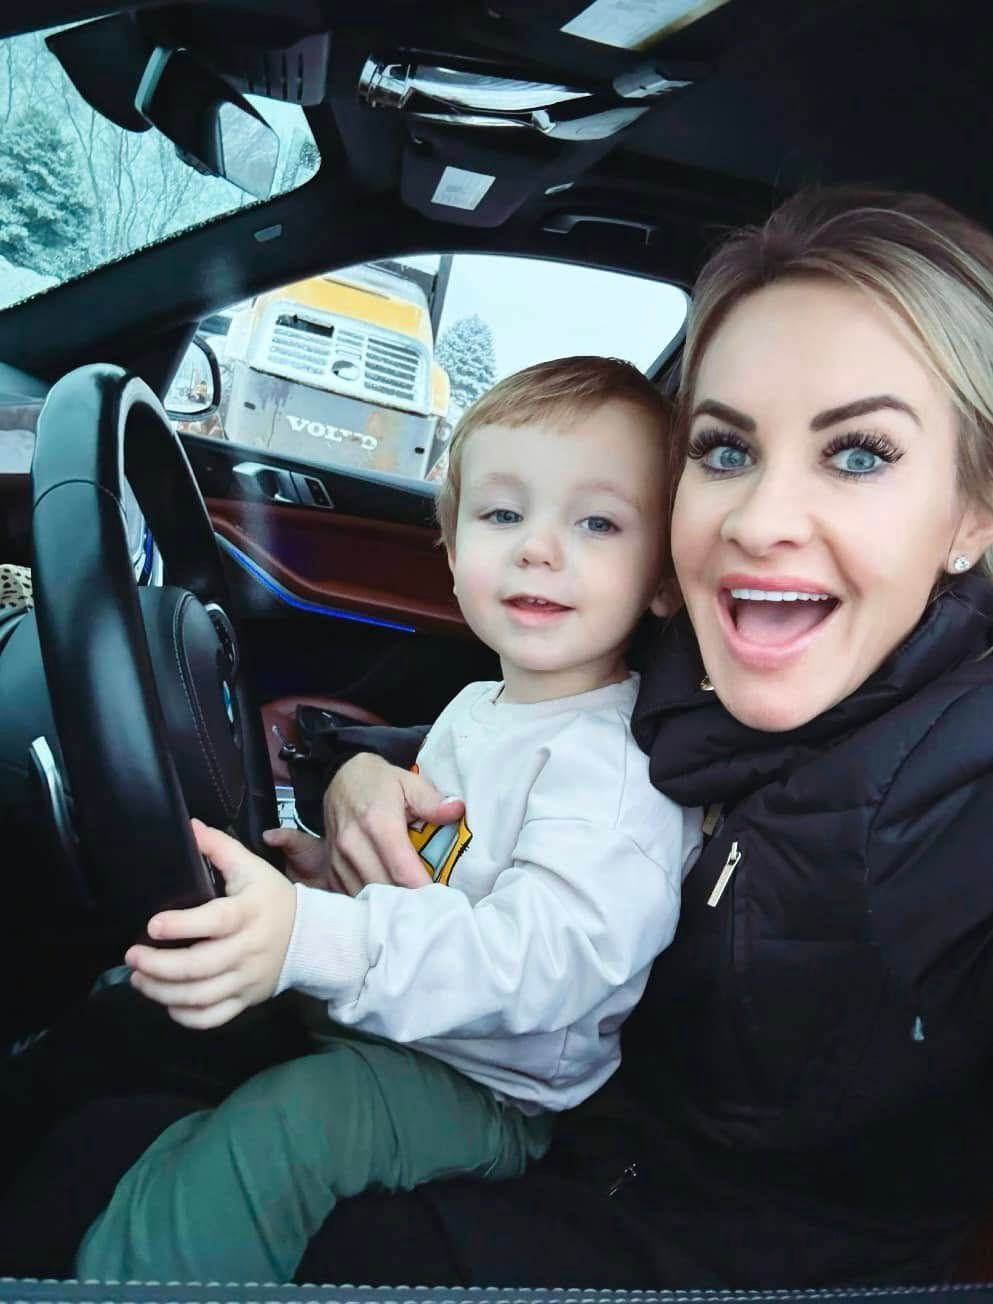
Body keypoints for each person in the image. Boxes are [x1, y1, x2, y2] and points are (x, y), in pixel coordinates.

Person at [4, 183, 993, 1292]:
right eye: (725, 450)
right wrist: (350, 795)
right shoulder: (679, 663)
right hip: (483, 1063)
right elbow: (466, 804)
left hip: (623, 1175)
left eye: (860, 452)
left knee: (239, 1165)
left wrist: (320, 937)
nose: (762, 519)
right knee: (123, 1078)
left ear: (974, 509)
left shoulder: (959, 797)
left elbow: (551, 941)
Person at [74, 356, 703, 1284]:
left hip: (492, 1086)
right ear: (449, 550)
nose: (537, 548)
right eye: (501, 513)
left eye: (598, 523)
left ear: (662, 578)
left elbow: (538, 967)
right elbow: (438, 867)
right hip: (402, 1016)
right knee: (141, 1002)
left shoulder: (617, 775)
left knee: (290, 1131)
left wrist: (321, 936)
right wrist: (330, 873)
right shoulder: (480, 706)